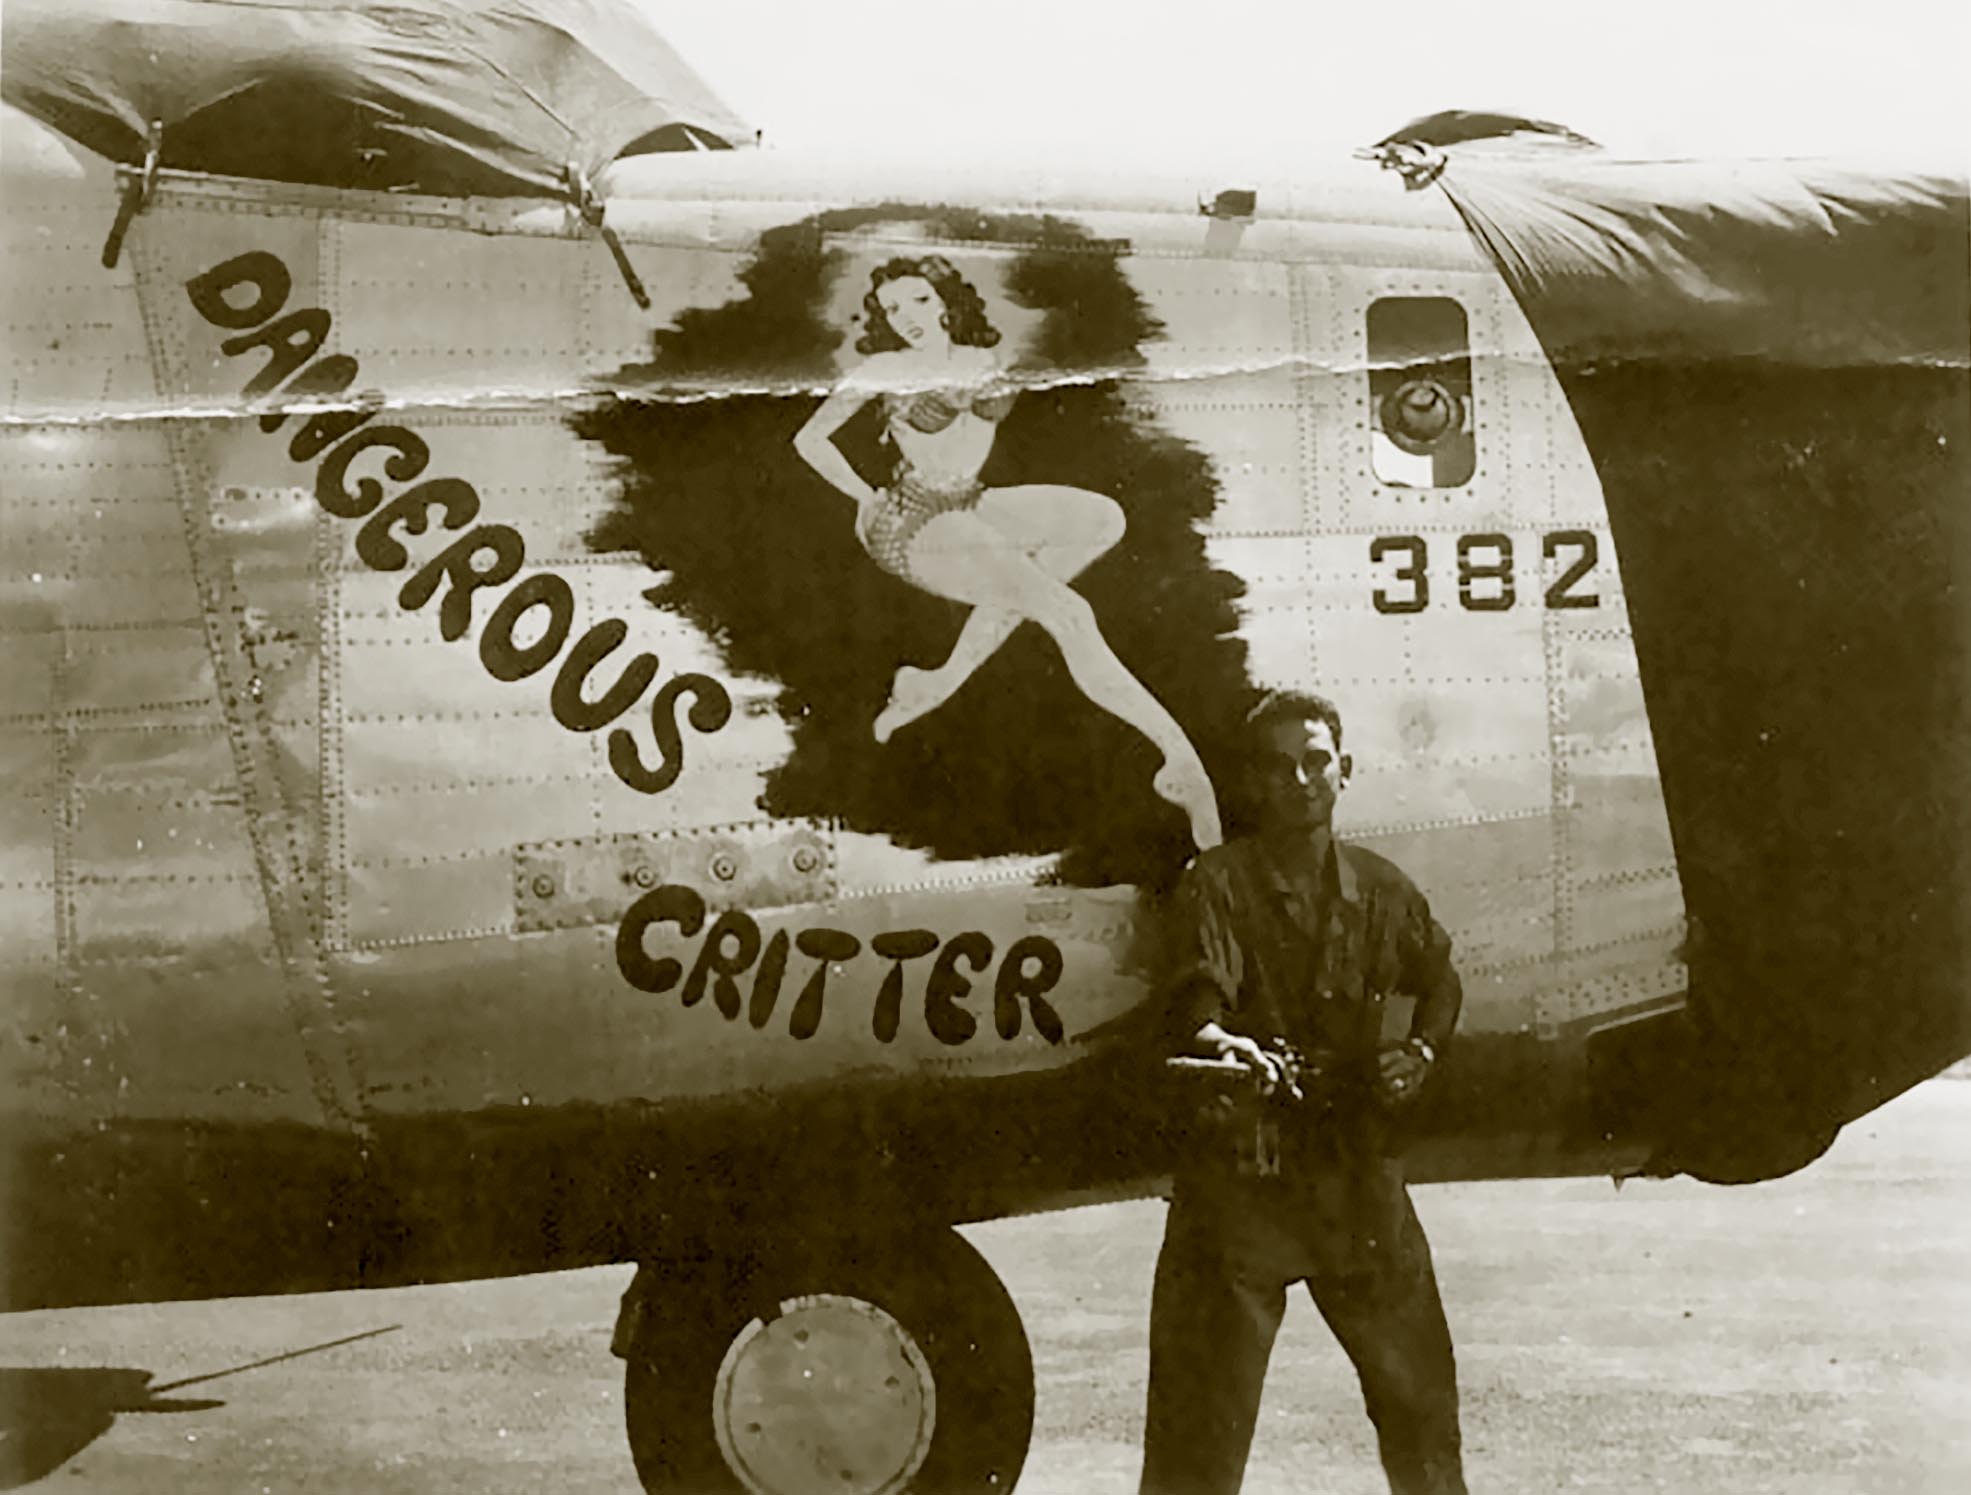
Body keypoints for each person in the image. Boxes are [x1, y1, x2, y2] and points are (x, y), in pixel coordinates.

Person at [1139, 690, 1467, 1495]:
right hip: (1242, 1175)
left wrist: (1420, 1050)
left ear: (1343, 770)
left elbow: (1441, 979)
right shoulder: (1215, 883)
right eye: (1278, 766)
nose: (1299, 779)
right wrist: (1223, 1043)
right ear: (1252, 783)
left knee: (1419, 1407)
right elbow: (1197, 998)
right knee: (1199, 1428)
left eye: (1315, 760)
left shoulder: (1383, 889)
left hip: (1358, 1174)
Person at [792, 253, 1221, 850]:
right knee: (1067, 612)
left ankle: (938, 682)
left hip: (968, 502)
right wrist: (863, 496)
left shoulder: (980, 361)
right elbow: (808, 439)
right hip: (911, 522)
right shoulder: (884, 369)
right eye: (892, 308)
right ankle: (1182, 765)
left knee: (1102, 519)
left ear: (943, 300)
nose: (907, 316)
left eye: (917, 300)